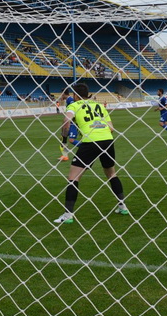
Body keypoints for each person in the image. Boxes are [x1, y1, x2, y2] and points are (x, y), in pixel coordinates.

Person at [54, 83, 129, 224]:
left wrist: (64, 137)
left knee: (73, 177)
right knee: (111, 173)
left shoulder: (74, 105)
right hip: (107, 140)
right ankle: (122, 206)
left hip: (90, 141)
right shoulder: (99, 105)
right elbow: (111, 128)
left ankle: (68, 215)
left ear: (75, 95)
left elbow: (66, 120)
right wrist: (96, 125)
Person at [58, 89, 78, 161]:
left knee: (71, 140)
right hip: (69, 123)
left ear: (63, 93)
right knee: (63, 139)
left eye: (61, 94)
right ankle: (65, 156)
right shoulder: (68, 100)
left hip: (73, 124)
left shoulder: (70, 100)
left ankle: (86, 148)